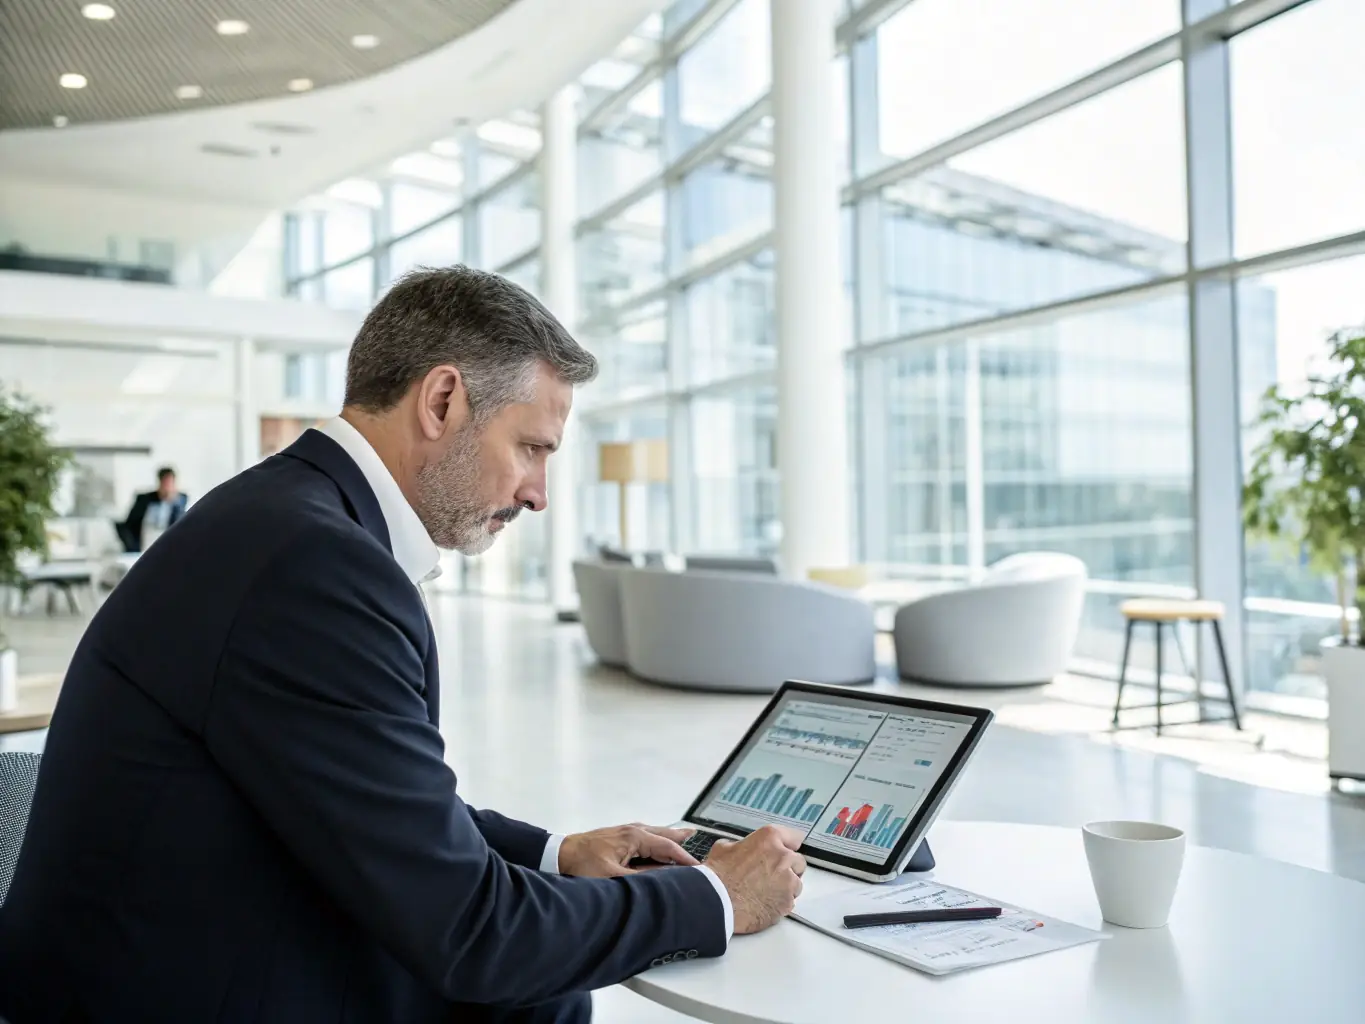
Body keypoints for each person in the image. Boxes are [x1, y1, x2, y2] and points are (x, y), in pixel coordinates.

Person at [0, 267, 806, 1024]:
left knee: (543, 996)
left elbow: (375, 795)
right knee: (529, 992)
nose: (538, 493)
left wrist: (558, 854)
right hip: (171, 994)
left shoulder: (283, 517)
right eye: (531, 447)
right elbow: (472, 934)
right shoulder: (315, 567)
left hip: (169, 947)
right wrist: (716, 896)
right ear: (443, 401)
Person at [116, 466, 187, 552]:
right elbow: (130, 524)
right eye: (165, 483)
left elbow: (181, 525)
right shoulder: (145, 500)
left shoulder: (180, 500)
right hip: (144, 543)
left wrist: (173, 500)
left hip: (168, 545)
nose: (167, 487)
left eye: (170, 484)